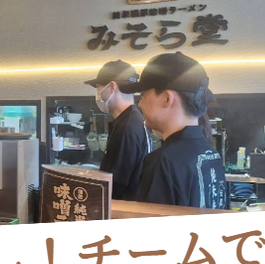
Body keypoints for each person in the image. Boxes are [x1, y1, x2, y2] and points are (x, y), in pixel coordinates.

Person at [119, 52, 228, 208]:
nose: (140, 104)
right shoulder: (211, 154)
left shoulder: (163, 161)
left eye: (142, 96)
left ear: (167, 99)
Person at [84, 60, 150, 201]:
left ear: (112, 86)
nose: (98, 95)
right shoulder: (134, 119)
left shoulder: (126, 127)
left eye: (98, 88)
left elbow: (116, 183)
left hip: (122, 206)